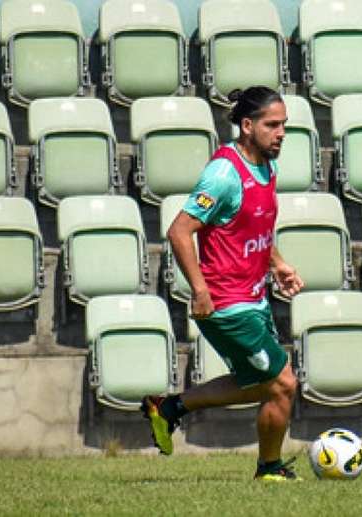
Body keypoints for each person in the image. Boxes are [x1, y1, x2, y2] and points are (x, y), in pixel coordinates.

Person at [141, 86, 305, 482]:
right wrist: (199, 290)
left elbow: (252, 227)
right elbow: (180, 232)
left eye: (284, 125)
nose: (281, 132)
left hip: (254, 297)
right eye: (272, 125)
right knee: (283, 383)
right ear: (247, 126)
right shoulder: (223, 174)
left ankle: (170, 407)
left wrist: (278, 263)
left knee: (264, 386)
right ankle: (269, 469)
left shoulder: (267, 166)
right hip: (224, 302)